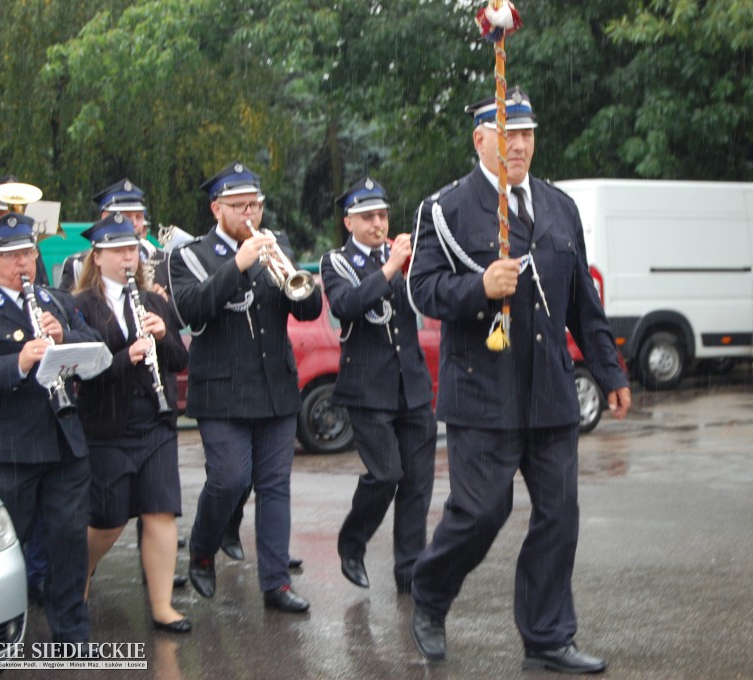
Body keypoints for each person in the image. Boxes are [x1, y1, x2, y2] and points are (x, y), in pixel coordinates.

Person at [406, 87, 632, 674]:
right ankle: (429, 594)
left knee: (559, 514)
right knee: (482, 512)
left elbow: (584, 298)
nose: (519, 145)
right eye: (508, 133)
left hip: (551, 390)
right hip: (483, 389)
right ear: (480, 139)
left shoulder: (559, 207)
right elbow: (423, 290)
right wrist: (479, 288)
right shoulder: (447, 209)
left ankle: (548, 635)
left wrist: (608, 370)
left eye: (527, 133)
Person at [169, 161, 322, 613]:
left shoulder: (276, 245)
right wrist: (238, 262)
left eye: (254, 204)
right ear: (217, 208)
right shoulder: (190, 255)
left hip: (275, 388)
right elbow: (194, 311)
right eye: (238, 206)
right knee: (231, 478)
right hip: (221, 391)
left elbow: (309, 310)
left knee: (275, 485)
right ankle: (202, 547)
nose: (249, 213)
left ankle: (275, 584)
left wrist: (289, 268)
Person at [0, 212, 100, 644]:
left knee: (69, 541)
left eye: (29, 254)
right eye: (13, 256)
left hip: (62, 441)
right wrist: (19, 363)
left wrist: (65, 340)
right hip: (7, 448)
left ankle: (71, 631)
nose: (25, 264)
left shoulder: (56, 300)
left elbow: (93, 346)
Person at [72, 213, 191, 633]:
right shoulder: (81, 306)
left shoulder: (154, 301)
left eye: (133, 251)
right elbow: (82, 369)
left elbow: (180, 361)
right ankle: (76, 580)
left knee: (161, 512)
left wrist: (163, 337)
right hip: (106, 427)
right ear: (99, 256)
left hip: (155, 423)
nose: (130, 258)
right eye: (120, 251)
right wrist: (128, 356)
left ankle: (162, 606)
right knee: (108, 519)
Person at [321, 177, 437, 594]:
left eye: (383, 214)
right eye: (367, 216)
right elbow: (345, 306)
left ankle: (410, 574)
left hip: (413, 385)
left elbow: (429, 298)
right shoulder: (336, 261)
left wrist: (416, 262)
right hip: (368, 388)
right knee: (386, 474)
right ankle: (352, 541)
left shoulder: (402, 254)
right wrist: (390, 268)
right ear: (348, 221)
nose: (377, 223)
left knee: (418, 485)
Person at [59, 179, 168, 298]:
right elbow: (66, 309)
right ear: (105, 217)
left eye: (139, 217)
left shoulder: (162, 258)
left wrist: (164, 302)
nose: (135, 223)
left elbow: (180, 311)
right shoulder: (77, 264)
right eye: (127, 217)